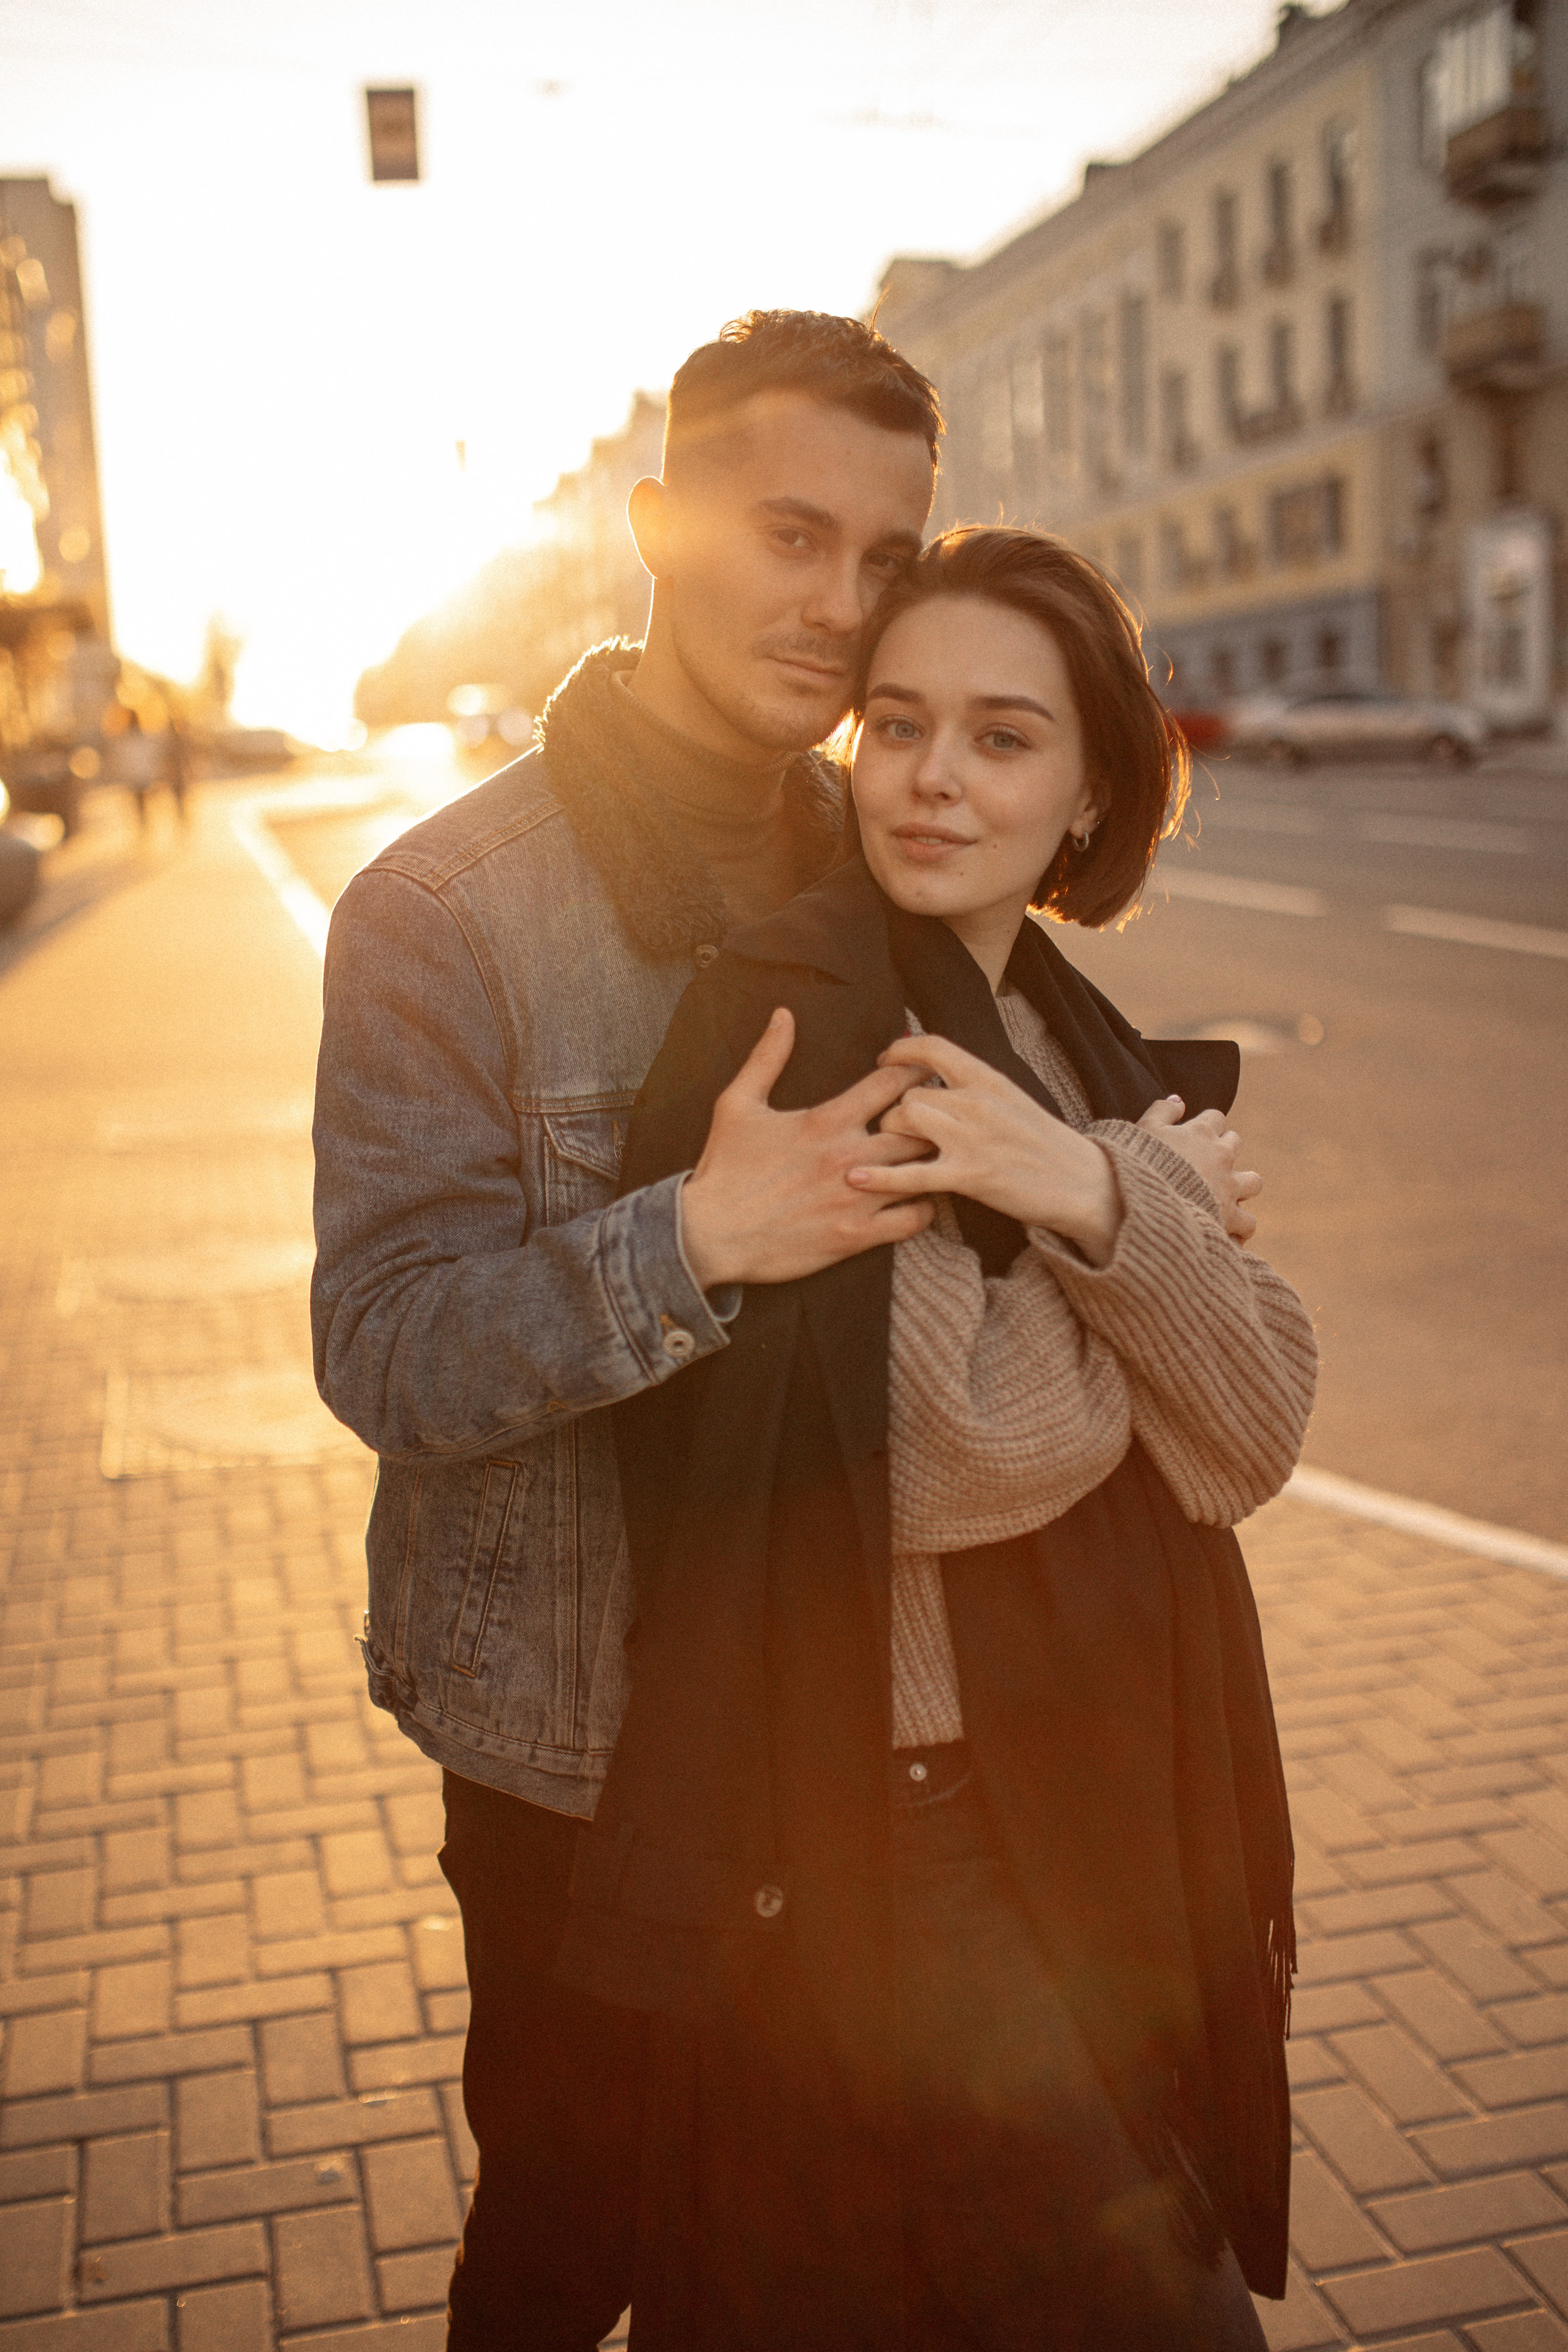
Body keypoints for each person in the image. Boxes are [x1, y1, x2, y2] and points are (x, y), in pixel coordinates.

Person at [563, 527, 1319, 2350]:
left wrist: (1072, 1181)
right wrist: (1140, 1217)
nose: (929, 779)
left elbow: (1257, 1422)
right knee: (1147, 2301)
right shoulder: (832, 1028)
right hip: (927, 1809)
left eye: (999, 737)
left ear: (1086, 794)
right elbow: (956, 1452)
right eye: (897, 726)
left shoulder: (1057, 1033)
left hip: (1083, 1761)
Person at [309, 311, 942, 2351]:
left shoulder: (889, 861)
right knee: (574, 2244)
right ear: (659, 522)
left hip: (852, 1702)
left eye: (885, 559)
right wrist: (699, 1237)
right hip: (577, 1741)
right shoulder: (445, 906)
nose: (841, 608)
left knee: (793, 2256)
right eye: (788, 533)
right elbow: (387, 1348)